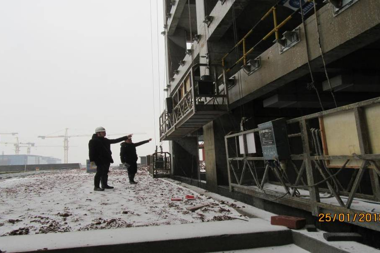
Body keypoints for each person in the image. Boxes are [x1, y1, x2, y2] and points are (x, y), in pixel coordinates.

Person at [89, 127, 131, 191]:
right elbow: (91, 152)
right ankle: (96, 186)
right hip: (99, 160)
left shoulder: (105, 140)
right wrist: (92, 161)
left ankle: (104, 185)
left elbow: (115, 140)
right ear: (98, 133)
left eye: (104, 132)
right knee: (99, 173)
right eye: (103, 132)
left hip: (106, 159)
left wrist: (125, 137)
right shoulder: (93, 141)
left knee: (105, 173)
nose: (104, 133)